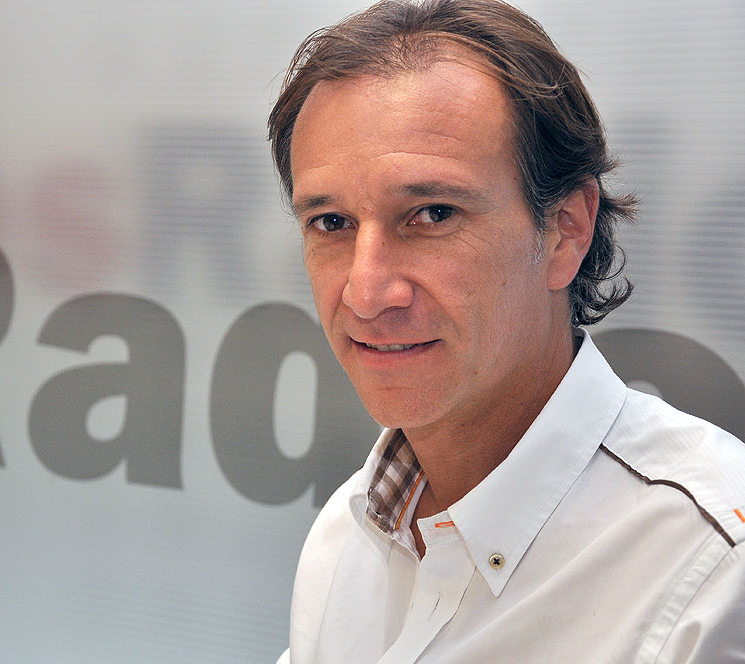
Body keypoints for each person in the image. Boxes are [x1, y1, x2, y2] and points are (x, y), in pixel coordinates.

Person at [266, 1, 745, 662]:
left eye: (432, 214)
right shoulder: (343, 541)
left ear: (567, 231)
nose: (367, 293)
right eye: (331, 223)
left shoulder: (714, 573)